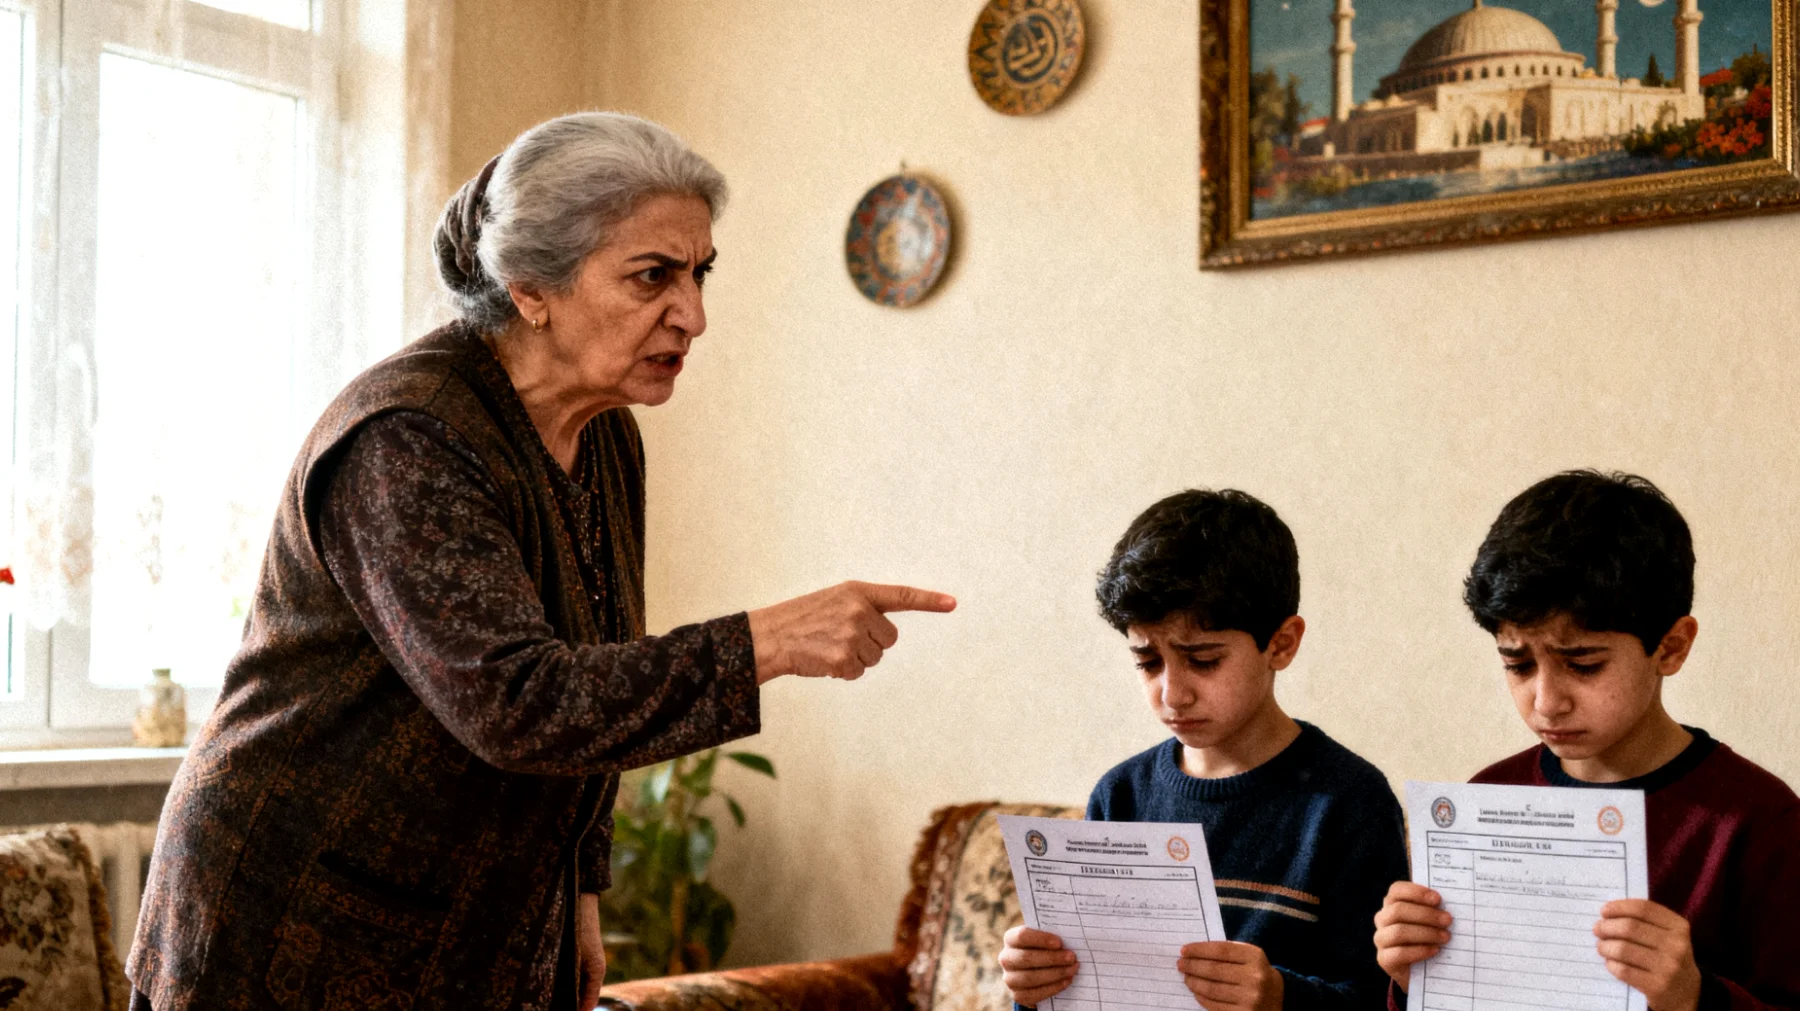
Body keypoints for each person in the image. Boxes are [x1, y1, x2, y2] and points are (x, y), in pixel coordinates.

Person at [126, 112, 955, 1011]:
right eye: (653, 277)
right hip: (297, 910)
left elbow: (600, 673)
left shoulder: (606, 437)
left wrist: (579, 899)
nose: (695, 314)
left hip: (463, 916)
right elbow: (518, 701)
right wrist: (769, 639)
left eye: (699, 273)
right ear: (530, 287)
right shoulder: (409, 437)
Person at [1373, 470, 1800, 1010]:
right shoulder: (1489, 798)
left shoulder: (1757, 823)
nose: (1547, 701)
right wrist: (1417, 982)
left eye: (1584, 664)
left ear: (1670, 647)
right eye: (1518, 664)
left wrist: (1697, 997)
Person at [1000, 489, 1407, 1011]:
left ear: (1281, 644)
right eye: (1147, 662)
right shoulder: (1121, 794)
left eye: (1203, 660)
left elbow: (1384, 999)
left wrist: (1280, 997)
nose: (1172, 694)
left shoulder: (1349, 802)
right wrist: (1035, 991)